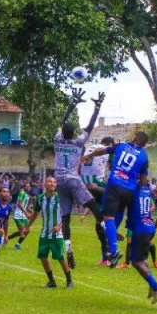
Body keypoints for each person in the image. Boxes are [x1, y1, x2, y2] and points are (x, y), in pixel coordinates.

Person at [52, 89, 107, 270]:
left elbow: (61, 123)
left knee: (66, 217)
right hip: (74, 180)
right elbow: (90, 126)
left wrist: (72, 103)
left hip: (60, 182)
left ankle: (67, 245)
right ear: (74, 132)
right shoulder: (78, 142)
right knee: (92, 204)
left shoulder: (58, 140)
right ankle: (108, 231)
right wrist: (97, 107)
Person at [82, 131, 151, 267]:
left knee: (108, 219)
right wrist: (132, 181)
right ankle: (111, 249)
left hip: (114, 185)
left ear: (135, 138)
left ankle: (114, 250)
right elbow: (143, 181)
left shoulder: (122, 146)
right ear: (143, 144)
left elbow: (102, 150)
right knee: (116, 218)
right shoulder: (144, 157)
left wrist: (89, 155)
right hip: (129, 191)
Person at [26, 176, 73, 289]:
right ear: (45, 184)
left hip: (57, 234)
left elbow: (66, 215)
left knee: (60, 257)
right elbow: (35, 214)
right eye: (50, 182)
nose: (52, 184)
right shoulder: (40, 198)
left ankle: (69, 281)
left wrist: (59, 226)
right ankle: (52, 281)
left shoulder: (60, 198)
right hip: (45, 233)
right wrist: (27, 227)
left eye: (54, 182)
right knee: (43, 256)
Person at [128, 174, 157, 303]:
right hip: (149, 226)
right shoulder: (147, 188)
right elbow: (156, 203)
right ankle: (152, 287)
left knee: (136, 262)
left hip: (141, 227)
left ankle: (156, 286)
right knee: (142, 259)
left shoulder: (134, 189)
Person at [8, 181, 32, 250]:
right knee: (22, 232)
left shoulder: (28, 196)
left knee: (27, 231)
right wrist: (26, 213)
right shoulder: (22, 193)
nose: (28, 187)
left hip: (23, 215)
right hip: (18, 214)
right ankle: (7, 239)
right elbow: (19, 204)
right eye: (26, 186)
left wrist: (30, 210)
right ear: (24, 187)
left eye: (29, 186)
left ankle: (14, 242)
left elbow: (26, 206)